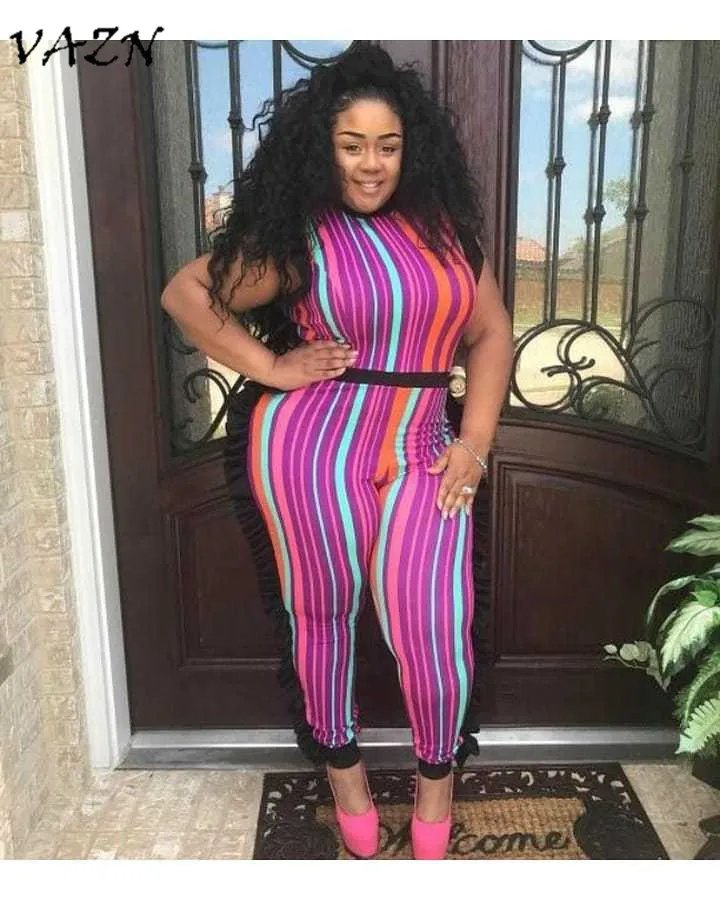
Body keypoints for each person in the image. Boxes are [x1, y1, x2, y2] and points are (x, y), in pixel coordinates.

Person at [161, 43, 514, 860]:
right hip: (311, 449)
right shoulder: (303, 237)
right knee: (320, 613)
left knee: (435, 623)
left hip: (426, 448)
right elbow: (187, 293)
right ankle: (345, 777)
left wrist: (475, 444)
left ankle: (436, 784)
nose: (370, 164)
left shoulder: (450, 239)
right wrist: (271, 366)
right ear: (326, 148)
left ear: (411, 149)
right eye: (352, 145)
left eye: (387, 146)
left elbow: (491, 332)